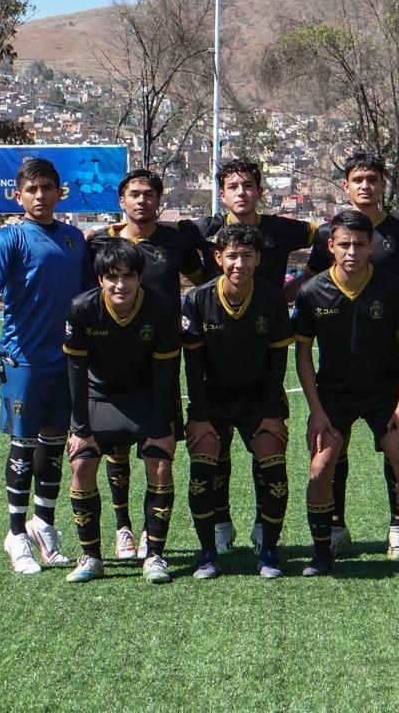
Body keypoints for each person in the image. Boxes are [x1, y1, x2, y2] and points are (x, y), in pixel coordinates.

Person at [301, 152, 399, 560]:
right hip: (336, 385)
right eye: (357, 179)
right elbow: (307, 284)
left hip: (385, 376)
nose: (365, 186)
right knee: (329, 457)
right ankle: (332, 532)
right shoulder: (322, 264)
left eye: (372, 178)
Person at [178, 158, 315, 555]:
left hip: (260, 365)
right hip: (216, 374)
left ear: (259, 191)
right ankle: (218, 528)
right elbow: (170, 238)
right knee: (213, 456)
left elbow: (327, 235)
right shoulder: (202, 234)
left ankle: (264, 535)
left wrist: (300, 285)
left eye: (248, 185)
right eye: (233, 186)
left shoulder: (279, 231)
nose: (241, 192)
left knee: (269, 452)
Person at [0, 158, 92, 575]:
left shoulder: (74, 239)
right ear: (18, 195)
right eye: (32, 189)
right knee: (23, 447)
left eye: (47, 188)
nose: (40, 196)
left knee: (54, 446)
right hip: (22, 359)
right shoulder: (9, 237)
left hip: (66, 361)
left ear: (60, 193)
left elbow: (88, 295)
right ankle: (15, 535)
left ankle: (43, 525)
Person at [87, 168, 205, 560]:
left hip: (161, 359)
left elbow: (203, 280)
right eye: (134, 194)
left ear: (159, 199)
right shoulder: (100, 241)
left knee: (157, 449)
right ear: (122, 200)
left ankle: (150, 537)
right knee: (116, 449)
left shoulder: (175, 242)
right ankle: (122, 526)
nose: (142, 200)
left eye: (149, 194)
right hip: (112, 357)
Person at [62, 240, 180, 584]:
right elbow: (75, 372)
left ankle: (155, 556)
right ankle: (91, 556)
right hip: (100, 397)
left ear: (140, 277)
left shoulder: (161, 308)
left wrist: (162, 426)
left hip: (145, 397)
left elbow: (166, 373)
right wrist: (80, 429)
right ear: (100, 279)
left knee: (160, 462)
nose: (120, 284)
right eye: (112, 277)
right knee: (81, 462)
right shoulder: (82, 308)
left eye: (128, 276)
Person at [181, 225, 294, 579]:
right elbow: (192, 365)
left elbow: (278, 361)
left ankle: (269, 552)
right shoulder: (197, 300)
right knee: (202, 469)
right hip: (212, 402)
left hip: (258, 401)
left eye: (247, 255)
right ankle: (207, 554)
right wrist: (198, 415)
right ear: (218, 258)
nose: (239, 263)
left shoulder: (271, 299)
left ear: (258, 259)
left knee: (273, 464)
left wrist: (272, 413)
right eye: (232, 256)